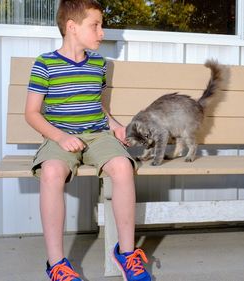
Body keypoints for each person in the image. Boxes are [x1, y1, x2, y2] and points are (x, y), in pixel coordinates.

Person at [24, 1, 151, 280]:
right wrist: (60, 136)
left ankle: (127, 254)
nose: (102, 32)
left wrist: (116, 126)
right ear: (72, 27)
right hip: (60, 136)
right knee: (51, 171)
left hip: (97, 135)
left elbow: (98, 107)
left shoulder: (98, 64)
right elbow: (31, 114)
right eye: (95, 25)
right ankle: (57, 264)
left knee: (122, 166)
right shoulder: (45, 64)